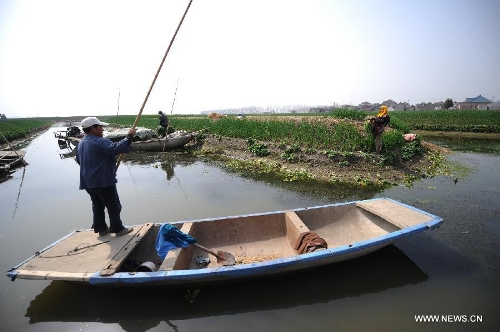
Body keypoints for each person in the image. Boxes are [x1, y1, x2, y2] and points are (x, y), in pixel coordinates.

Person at [76, 117, 137, 237]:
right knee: (113, 205)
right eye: (100, 127)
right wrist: (129, 136)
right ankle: (118, 229)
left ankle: (101, 228)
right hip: (102, 181)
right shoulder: (98, 141)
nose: (102, 129)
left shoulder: (81, 143)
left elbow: (79, 161)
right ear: (93, 128)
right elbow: (117, 148)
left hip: (88, 182)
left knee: (97, 205)